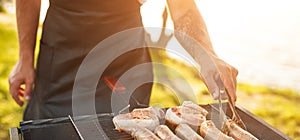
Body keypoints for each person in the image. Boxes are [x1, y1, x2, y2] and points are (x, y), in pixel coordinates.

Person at [9, 0, 238, 120]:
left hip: (124, 63)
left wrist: (207, 55)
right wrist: (24, 57)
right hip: (62, 59)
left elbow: (182, 8)